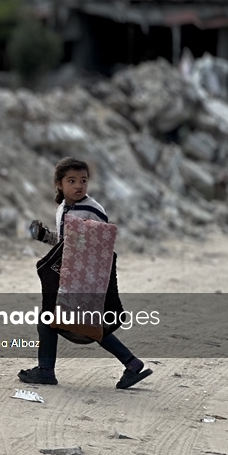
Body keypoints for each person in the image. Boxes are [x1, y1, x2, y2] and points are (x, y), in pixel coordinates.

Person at [20, 157, 153, 390]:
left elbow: (101, 246)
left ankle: (46, 371)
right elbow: (66, 243)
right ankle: (132, 364)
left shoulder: (93, 209)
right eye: (71, 181)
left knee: (59, 321)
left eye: (83, 180)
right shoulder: (62, 209)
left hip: (85, 278)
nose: (78, 185)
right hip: (68, 275)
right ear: (59, 184)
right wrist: (44, 235)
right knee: (79, 323)